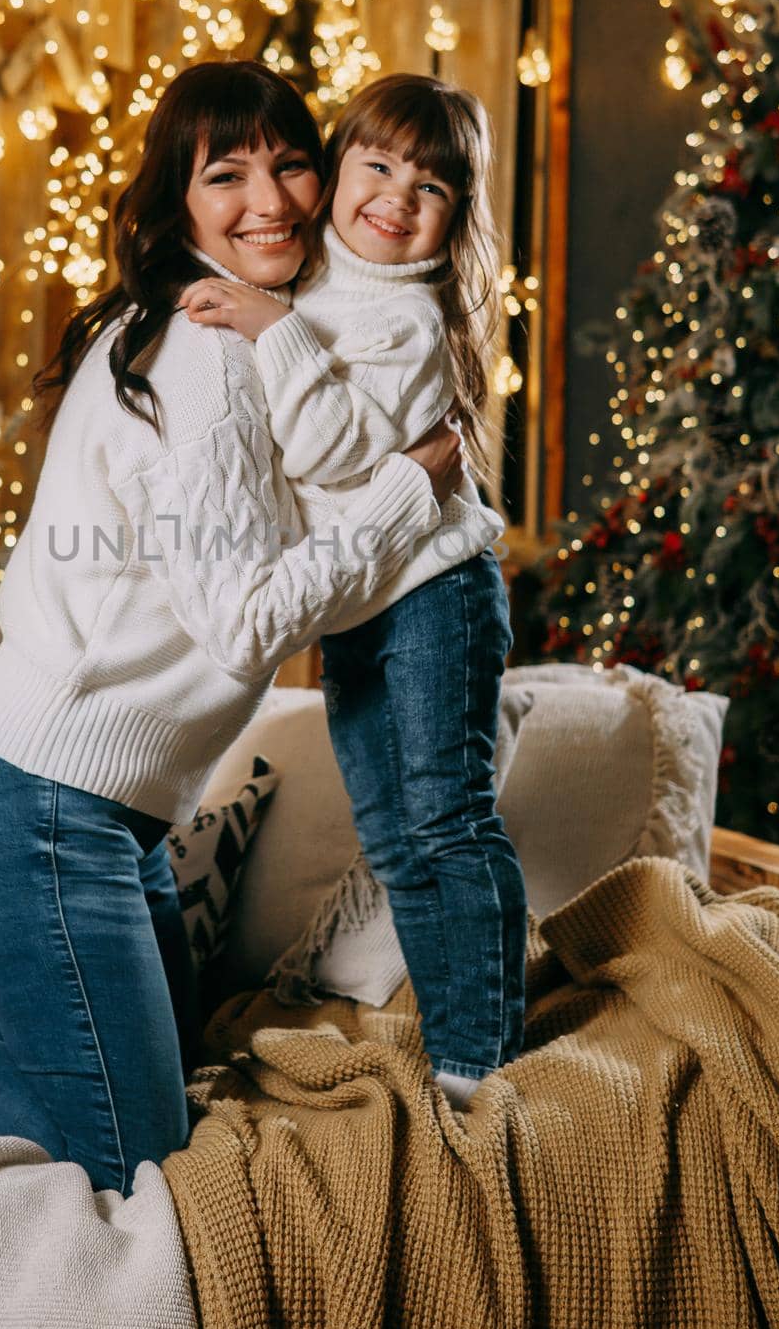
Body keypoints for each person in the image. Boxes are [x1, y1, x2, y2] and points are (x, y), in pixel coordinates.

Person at [0, 61, 463, 1195]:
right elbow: (242, 627)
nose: (268, 199)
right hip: (40, 800)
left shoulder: (237, 328)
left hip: (92, 811)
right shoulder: (206, 356)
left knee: (153, 1085)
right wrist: (406, 495)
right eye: (225, 175)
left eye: (288, 162)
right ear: (177, 200)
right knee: (126, 1152)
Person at [178, 72, 526, 1108]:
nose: (394, 196)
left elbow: (331, 453)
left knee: (445, 818)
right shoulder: (321, 280)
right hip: (363, 602)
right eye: (375, 165)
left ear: (456, 213)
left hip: (432, 592)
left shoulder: (408, 320)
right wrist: (274, 311)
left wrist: (266, 324)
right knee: (392, 834)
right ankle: (455, 1035)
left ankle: (478, 1057)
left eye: (430, 185)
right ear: (335, 171)